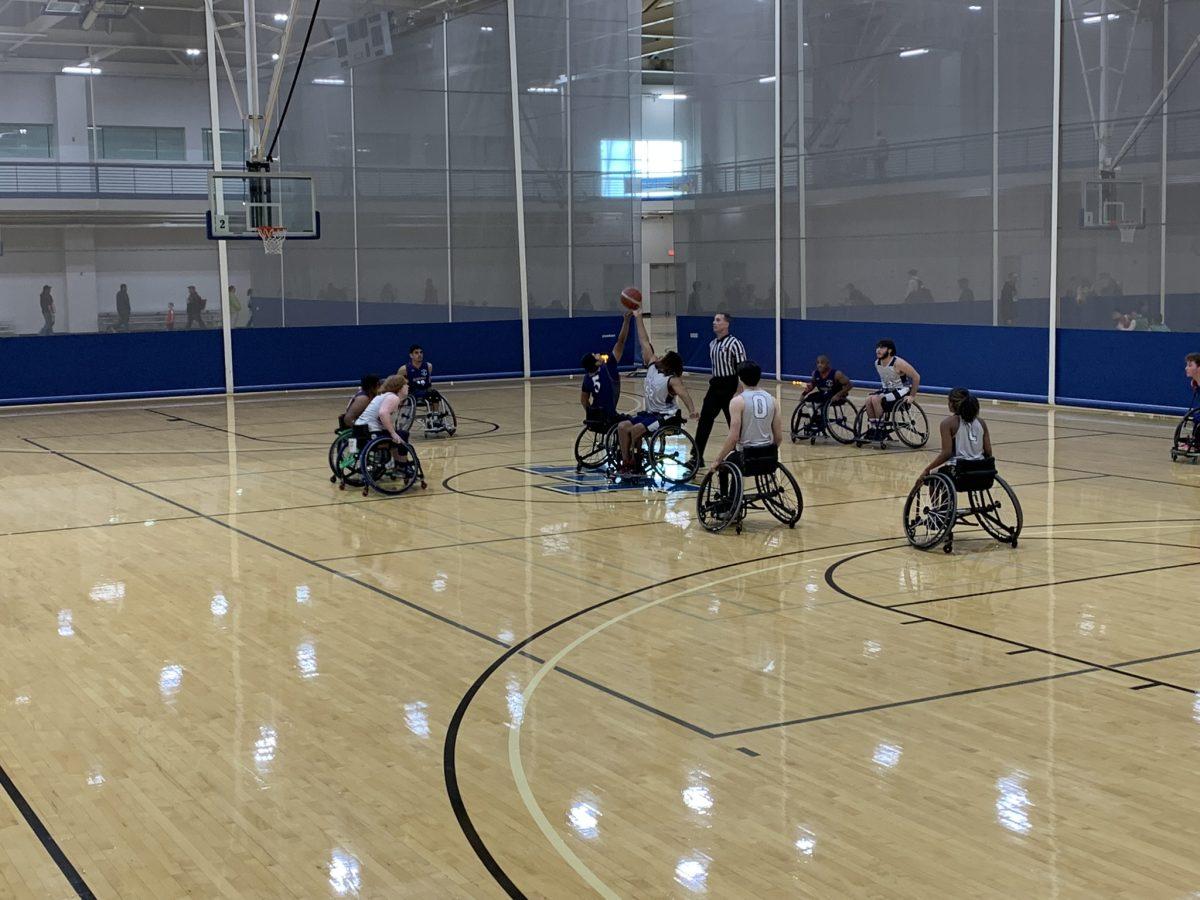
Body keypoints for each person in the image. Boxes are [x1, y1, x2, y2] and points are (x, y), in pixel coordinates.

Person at [616, 310, 698, 473]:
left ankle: (636, 461)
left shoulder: (672, 379)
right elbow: (644, 340)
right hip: (651, 414)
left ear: (668, 362)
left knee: (636, 429)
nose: (659, 355)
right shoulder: (653, 366)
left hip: (666, 416)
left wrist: (693, 410)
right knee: (622, 426)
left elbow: (684, 394)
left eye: (664, 356)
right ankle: (626, 462)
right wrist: (638, 317)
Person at [709, 360, 784, 475]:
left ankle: (726, 493)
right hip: (769, 457)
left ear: (739, 378)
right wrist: (769, 451)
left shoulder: (737, 401)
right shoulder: (773, 400)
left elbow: (733, 438)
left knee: (723, 465)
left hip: (746, 457)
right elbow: (778, 437)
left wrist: (718, 460)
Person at [693, 311, 747, 467]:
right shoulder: (712, 344)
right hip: (716, 386)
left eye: (718, 320)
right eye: (714, 320)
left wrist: (739, 391)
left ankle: (741, 455)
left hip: (730, 386)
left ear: (726, 324)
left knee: (734, 423)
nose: (714, 323)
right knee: (704, 421)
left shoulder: (735, 343)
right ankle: (696, 456)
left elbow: (742, 368)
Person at [914, 387, 991, 490]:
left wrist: (927, 469)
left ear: (951, 403)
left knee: (934, 475)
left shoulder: (948, 423)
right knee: (945, 473)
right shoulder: (982, 422)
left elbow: (946, 454)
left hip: (960, 472)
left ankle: (940, 506)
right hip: (982, 472)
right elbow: (988, 452)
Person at [862, 338, 921, 441]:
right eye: (878, 347)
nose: (878, 350)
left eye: (882, 347)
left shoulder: (898, 363)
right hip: (887, 390)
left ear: (889, 350)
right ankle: (874, 428)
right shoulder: (877, 363)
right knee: (868, 399)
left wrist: (912, 396)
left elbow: (916, 377)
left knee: (876, 399)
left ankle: (880, 429)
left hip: (902, 390)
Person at [353, 373, 413, 469]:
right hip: (370, 432)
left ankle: (396, 463)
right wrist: (393, 433)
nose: (408, 386)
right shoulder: (393, 398)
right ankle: (402, 465)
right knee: (402, 435)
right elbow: (383, 413)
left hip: (360, 429)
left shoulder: (384, 395)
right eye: (406, 384)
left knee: (399, 434)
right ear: (399, 387)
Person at [579, 310, 633, 418]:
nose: (598, 353)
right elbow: (621, 341)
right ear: (598, 363)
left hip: (596, 416)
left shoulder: (587, 378)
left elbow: (583, 400)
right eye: (595, 355)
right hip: (609, 416)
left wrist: (590, 413)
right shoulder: (608, 367)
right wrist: (626, 322)